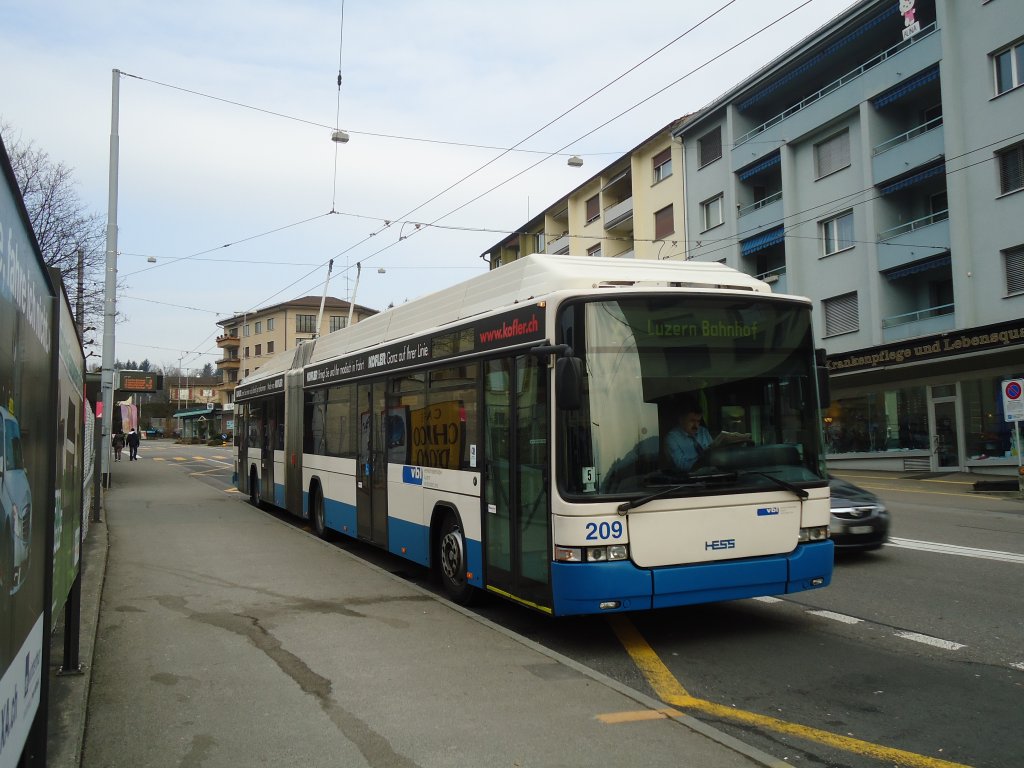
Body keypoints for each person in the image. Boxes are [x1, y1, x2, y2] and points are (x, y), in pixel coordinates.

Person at [665, 398, 712, 472]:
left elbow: (714, 452)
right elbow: (682, 466)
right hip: (689, 477)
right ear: (681, 420)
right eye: (692, 421)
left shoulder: (703, 431)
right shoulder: (672, 438)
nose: (696, 425)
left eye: (698, 421)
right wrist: (702, 461)